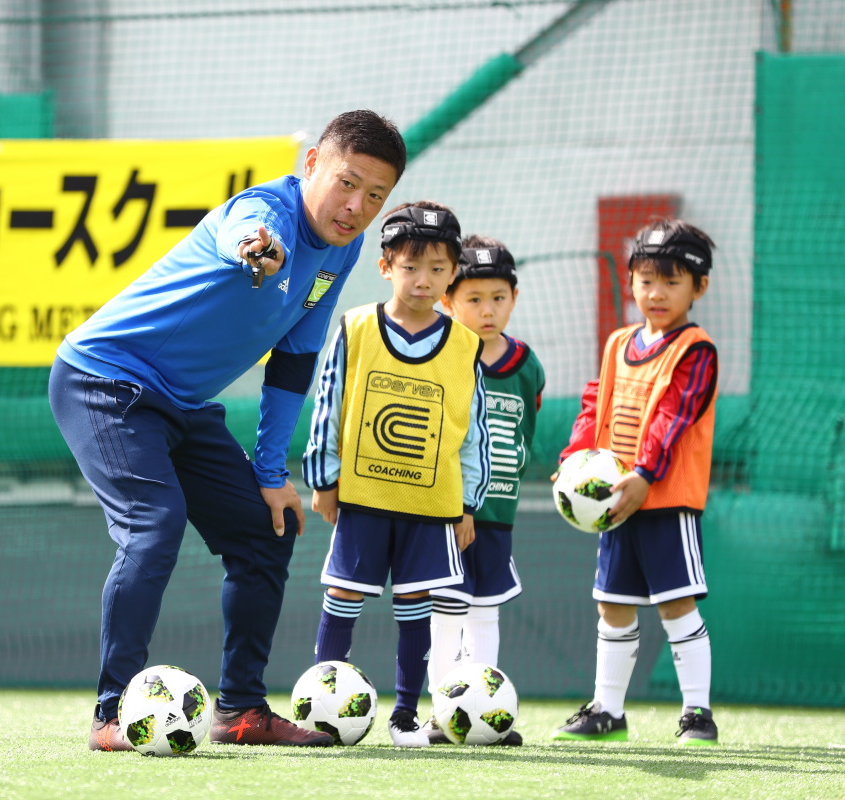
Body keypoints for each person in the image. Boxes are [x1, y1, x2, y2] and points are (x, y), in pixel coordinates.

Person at [48, 110, 407, 750]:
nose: (356, 206)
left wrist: (272, 476)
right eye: (346, 183)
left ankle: (240, 711)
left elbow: (294, 363)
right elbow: (245, 233)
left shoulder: (344, 247)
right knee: (153, 524)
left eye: (375, 196)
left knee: (267, 530)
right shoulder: (263, 210)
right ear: (312, 167)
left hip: (180, 405)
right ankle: (112, 713)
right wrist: (257, 253)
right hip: (103, 382)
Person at [300, 202, 490, 748]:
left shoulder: (464, 345)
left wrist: (468, 503)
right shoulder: (356, 326)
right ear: (386, 267)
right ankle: (323, 706)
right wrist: (324, 478)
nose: (423, 279)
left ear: (454, 272)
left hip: (433, 508)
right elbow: (328, 403)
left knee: (416, 608)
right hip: (362, 498)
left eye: (437, 267)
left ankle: (405, 716)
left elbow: (472, 430)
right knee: (342, 594)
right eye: (411, 266)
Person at [550, 219, 720, 746]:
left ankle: (697, 713)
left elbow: (674, 416)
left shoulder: (695, 349)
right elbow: (593, 404)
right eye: (646, 280)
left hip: (664, 502)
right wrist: (574, 457)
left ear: (699, 287)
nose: (657, 292)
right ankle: (608, 711)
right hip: (614, 506)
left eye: (672, 281)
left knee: (676, 604)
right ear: (631, 283)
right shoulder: (619, 342)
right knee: (611, 604)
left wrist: (645, 474)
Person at [424, 235, 544, 747]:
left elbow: (527, 434)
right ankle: (440, 714)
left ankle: (487, 713)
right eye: (473, 299)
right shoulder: (444, 356)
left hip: (498, 513)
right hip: (448, 512)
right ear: (448, 301)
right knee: (446, 612)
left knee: (486, 609)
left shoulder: (527, 364)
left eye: (498, 297)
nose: (487, 309)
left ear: (513, 298)